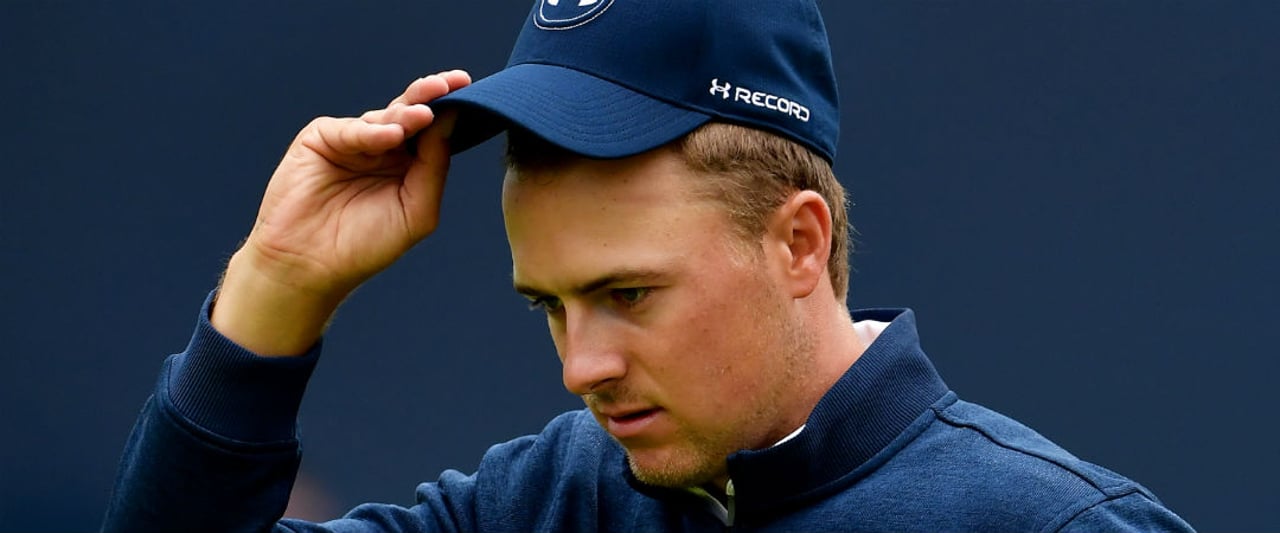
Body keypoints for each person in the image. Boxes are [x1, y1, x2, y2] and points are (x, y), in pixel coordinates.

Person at [103, 1, 1194, 531]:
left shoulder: (1049, 525)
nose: (581, 365)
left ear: (798, 241)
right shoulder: (547, 497)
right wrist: (275, 288)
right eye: (549, 304)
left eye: (626, 293)